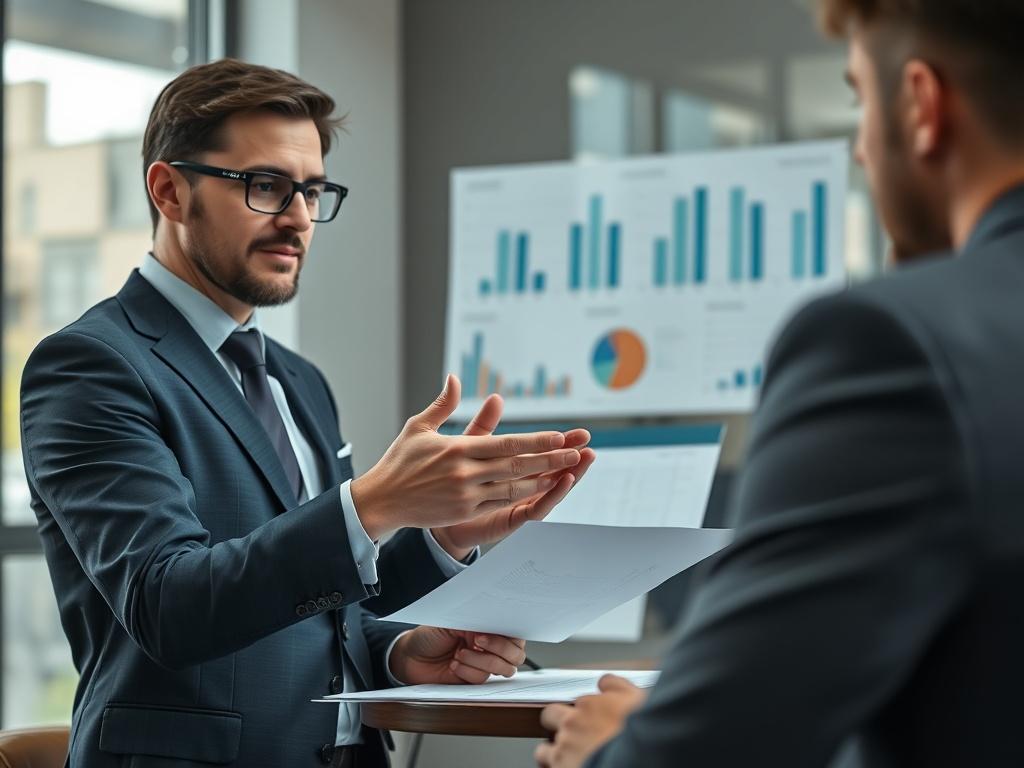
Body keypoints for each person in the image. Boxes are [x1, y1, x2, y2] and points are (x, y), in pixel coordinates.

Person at [19, 58, 595, 768]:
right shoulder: (89, 365)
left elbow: (325, 611)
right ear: (170, 190)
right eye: (266, 186)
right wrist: (374, 503)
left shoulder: (298, 381)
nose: (298, 217)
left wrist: (416, 621)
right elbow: (166, 604)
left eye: (313, 191)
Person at [537, 0, 1024, 766]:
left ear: (923, 106)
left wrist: (615, 748)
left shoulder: (891, 344)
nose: (862, 150)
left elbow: (716, 750)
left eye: (861, 98)